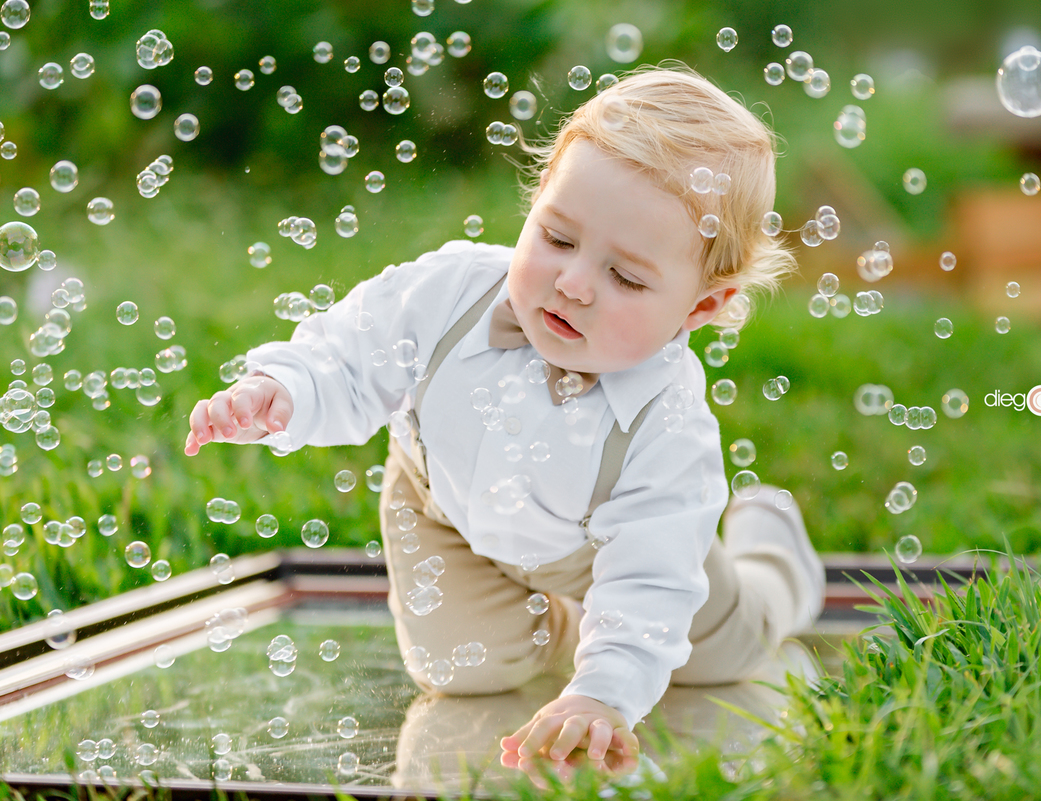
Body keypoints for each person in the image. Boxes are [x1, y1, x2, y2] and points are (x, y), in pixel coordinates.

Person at [184, 65, 825, 776]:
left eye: (627, 278)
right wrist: (287, 390)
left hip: (608, 544)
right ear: (538, 201)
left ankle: (772, 549)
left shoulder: (666, 422)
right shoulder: (450, 291)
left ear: (700, 308)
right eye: (557, 237)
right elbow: (351, 350)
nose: (574, 282)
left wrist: (604, 692)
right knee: (462, 667)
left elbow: (652, 578)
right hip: (442, 503)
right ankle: (568, 631)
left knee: (715, 655)